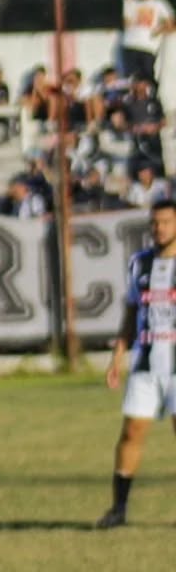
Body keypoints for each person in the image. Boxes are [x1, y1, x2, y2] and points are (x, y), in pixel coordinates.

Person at [99, 199, 176, 526]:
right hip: (146, 361)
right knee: (132, 431)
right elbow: (132, 312)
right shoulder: (139, 263)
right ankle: (118, 509)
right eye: (155, 223)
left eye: (166, 222)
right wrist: (118, 356)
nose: (159, 229)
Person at [121, 0, 174, 86]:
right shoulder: (133, 2)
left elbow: (170, 23)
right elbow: (126, 23)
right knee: (132, 76)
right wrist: (127, 3)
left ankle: (151, 98)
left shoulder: (160, 3)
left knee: (148, 74)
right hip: (130, 44)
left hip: (148, 46)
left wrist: (158, 32)